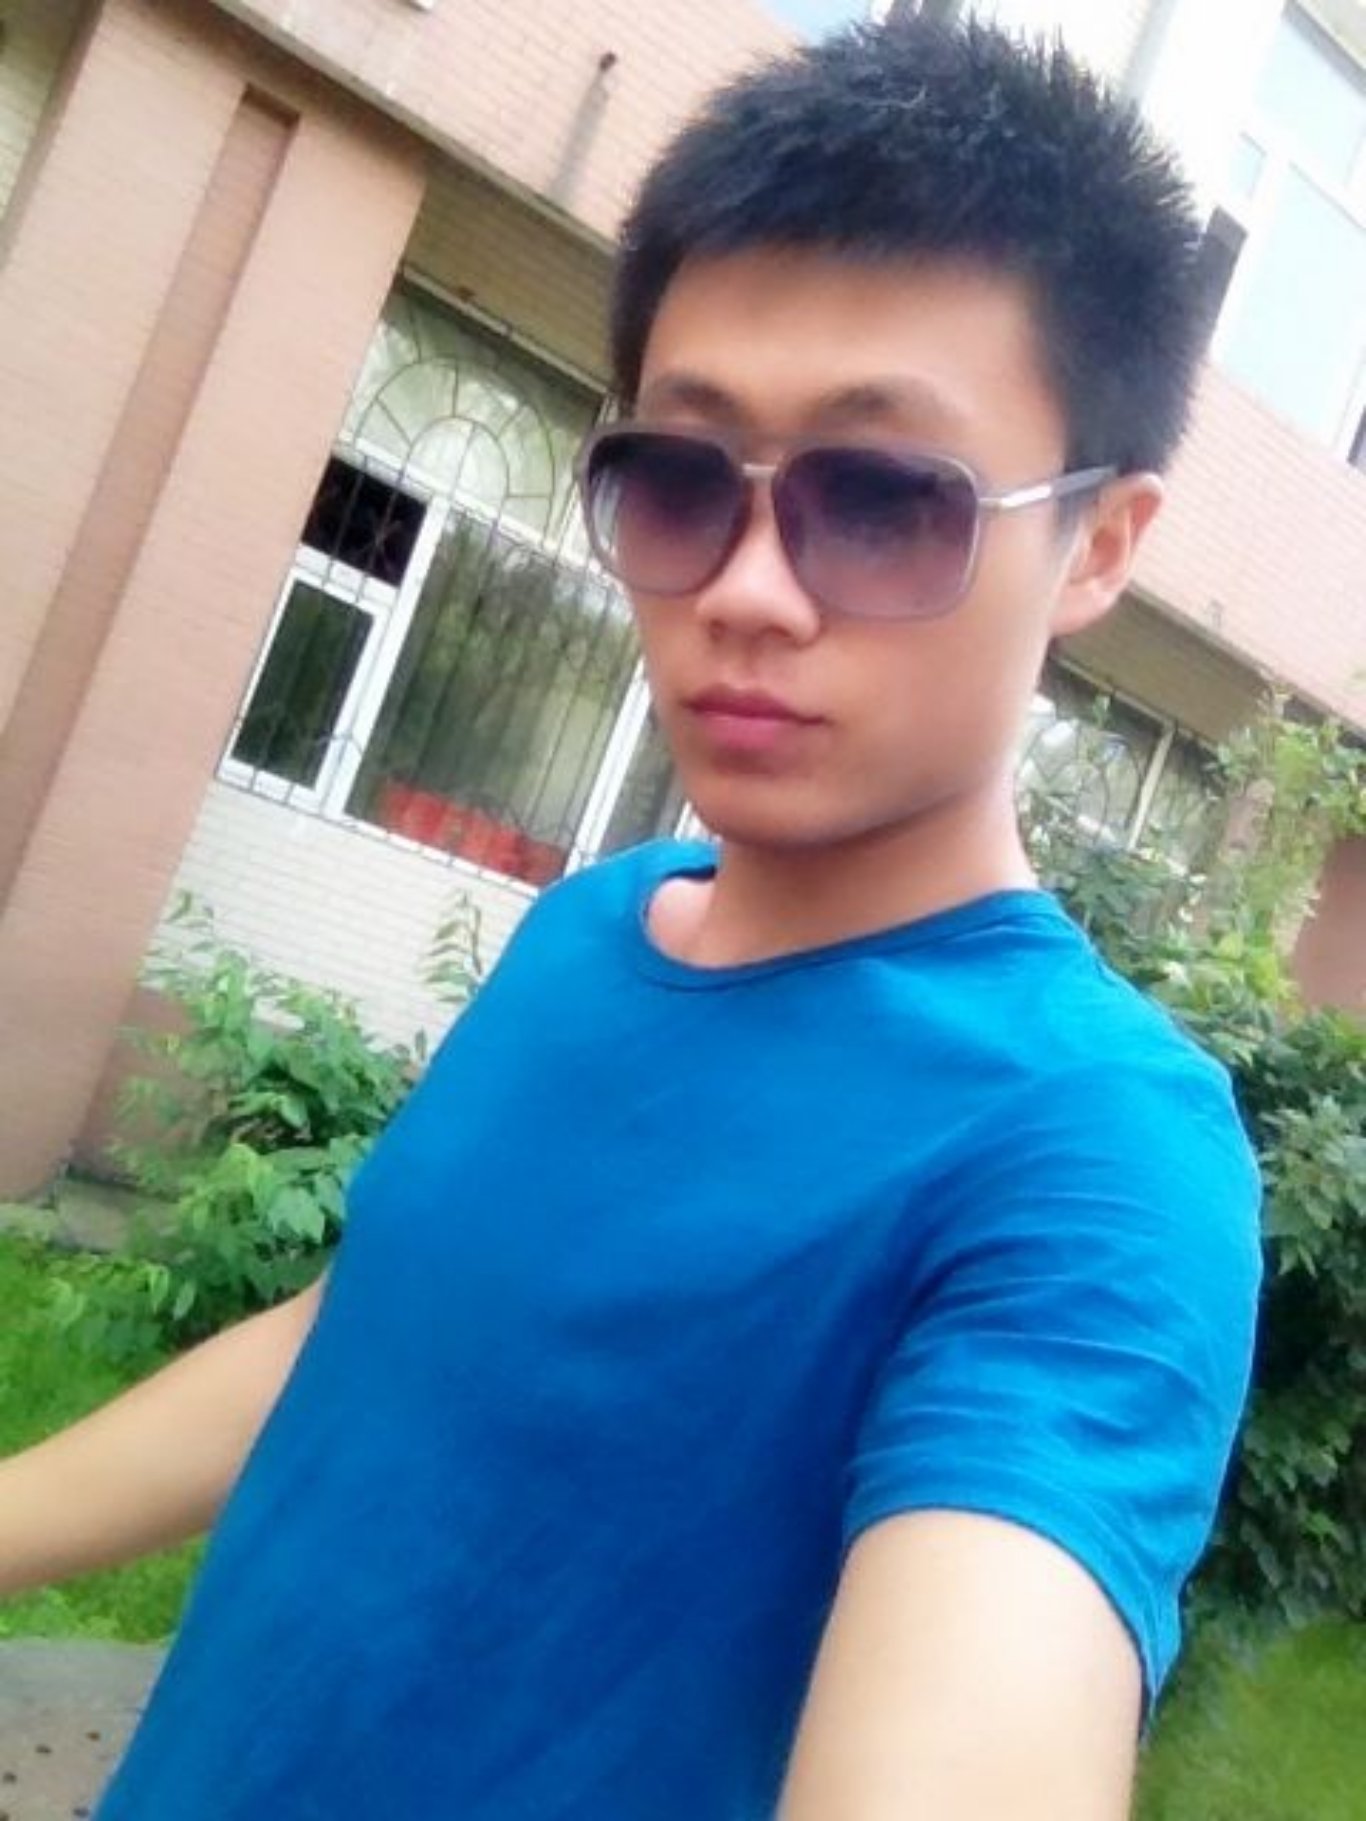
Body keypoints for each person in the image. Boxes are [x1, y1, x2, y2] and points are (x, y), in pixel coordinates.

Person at [0, 15, 1261, 1818]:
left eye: (880, 500)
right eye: (680, 479)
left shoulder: (1091, 1149)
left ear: (1101, 544)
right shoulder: (590, 930)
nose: (745, 589)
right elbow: (371, 1339)